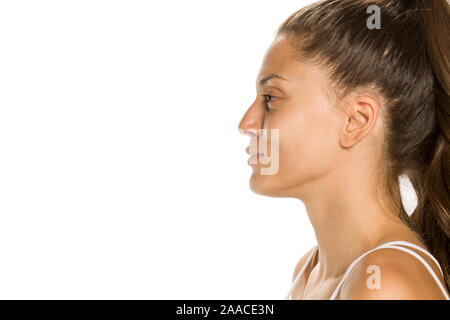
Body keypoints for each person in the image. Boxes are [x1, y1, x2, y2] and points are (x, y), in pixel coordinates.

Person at [238, 0, 450, 300]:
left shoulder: (386, 283)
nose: (246, 123)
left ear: (356, 120)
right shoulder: (310, 271)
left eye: (271, 98)